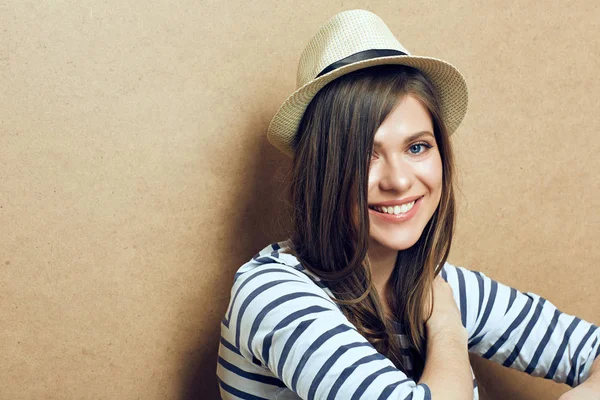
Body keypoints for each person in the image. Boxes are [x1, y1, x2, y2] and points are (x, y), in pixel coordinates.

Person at [216, 9, 600, 400]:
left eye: (417, 147)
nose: (398, 181)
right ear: (322, 172)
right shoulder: (272, 294)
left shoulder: (435, 284)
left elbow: (592, 347)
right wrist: (448, 327)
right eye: (365, 155)